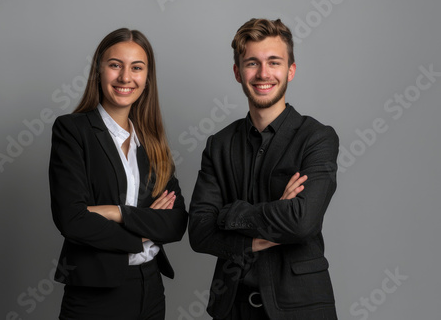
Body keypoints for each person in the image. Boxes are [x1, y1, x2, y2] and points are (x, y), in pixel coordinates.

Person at [188, 18, 339, 319]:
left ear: (290, 70)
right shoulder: (219, 144)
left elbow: (301, 222)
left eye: (274, 62)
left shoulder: (317, 137)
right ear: (237, 72)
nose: (263, 73)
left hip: (301, 307)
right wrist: (262, 233)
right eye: (252, 63)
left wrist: (230, 214)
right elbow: (199, 231)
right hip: (232, 307)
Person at [48, 28, 188, 320]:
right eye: (115, 65)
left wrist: (116, 212)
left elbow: (175, 223)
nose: (126, 77)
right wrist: (142, 235)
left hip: (150, 288)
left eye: (137, 68)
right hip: (94, 292)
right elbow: (72, 220)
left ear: (147, 78)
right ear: (98, 71)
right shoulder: (73, 131)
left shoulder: (153, 143)